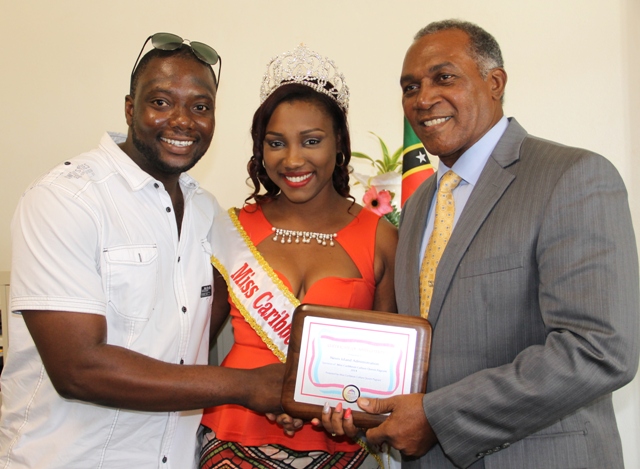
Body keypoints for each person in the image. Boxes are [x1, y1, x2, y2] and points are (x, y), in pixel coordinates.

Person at [322, 20, 639, 468]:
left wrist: (438, 416)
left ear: (495, 82)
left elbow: (599, 349)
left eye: (443, 77)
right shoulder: (418, 207)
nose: (423, 98)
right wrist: (366, 408)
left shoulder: (571, 176)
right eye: (410, 87)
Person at [0, 33, 285, 469]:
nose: (183, 120)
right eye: (161, 101)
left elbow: (197, 332)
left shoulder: (207, 211)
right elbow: (78, 368)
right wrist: (246, 386)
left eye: (200, 106)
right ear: (131, 108)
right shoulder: (64, 200)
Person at [198, 44, 398, 469]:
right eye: (275, 143)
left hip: (337, 449)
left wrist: (345, 411)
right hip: (233, 437)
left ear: (339, 141)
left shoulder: (381, 237)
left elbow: (387, 370)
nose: (292, 160)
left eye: (311, 141)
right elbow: (192, 345)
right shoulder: (229, 228)